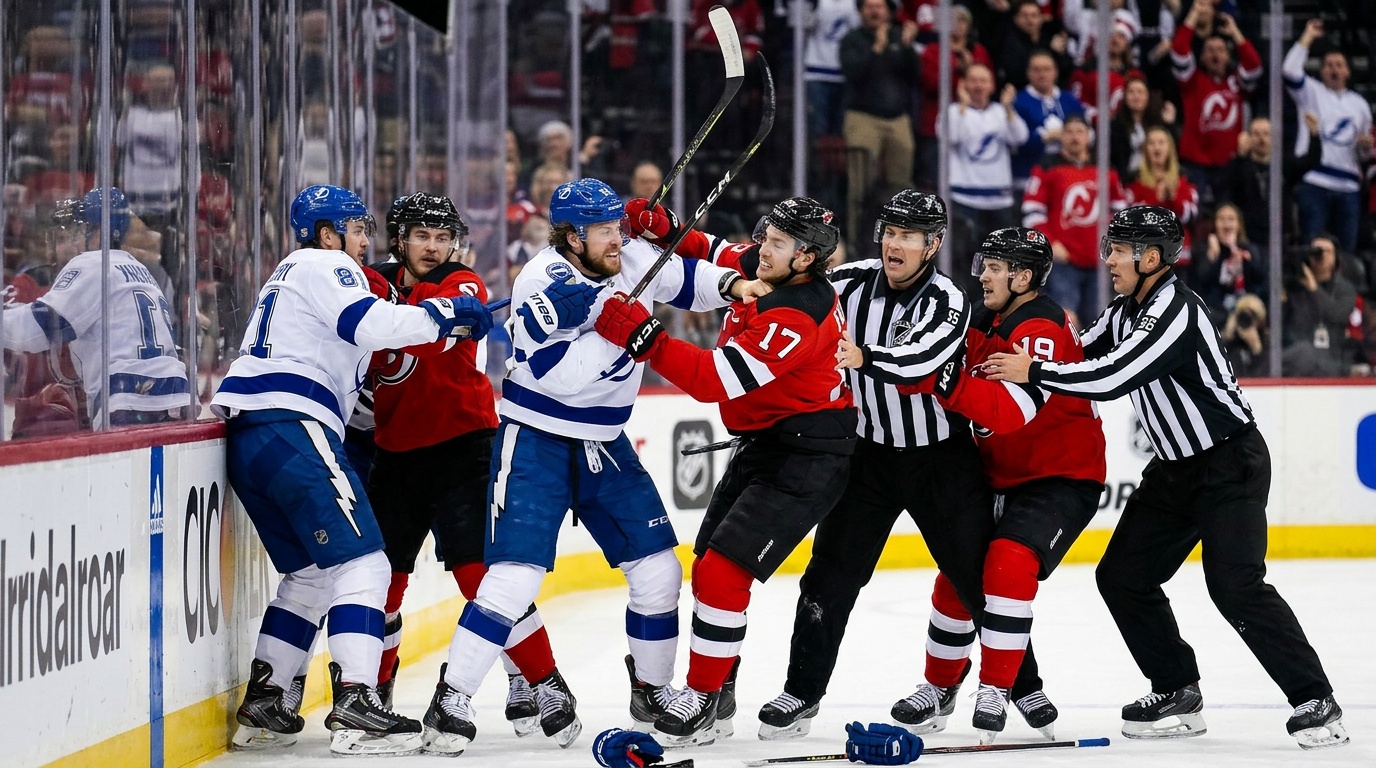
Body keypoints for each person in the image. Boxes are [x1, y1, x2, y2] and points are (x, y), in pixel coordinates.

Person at [418, 178, 770, 754]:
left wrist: (735, 283)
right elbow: (561, 377)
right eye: (604, 230)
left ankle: (652, 693)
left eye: (616, 226)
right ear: (573, 237)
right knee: (513, 578)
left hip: (605, 442)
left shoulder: (630, 254)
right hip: (537, 440)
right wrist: (623, 330)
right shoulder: (541, 280)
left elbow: (694, 284)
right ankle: (451, 698)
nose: (617, 238)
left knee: (659, 573)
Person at [983, 205, 1349, 751]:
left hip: (1230, 464)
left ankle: (1315, 699)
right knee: (1123, 576)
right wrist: (1034, 326)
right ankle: (1177, 688)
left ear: (1150, 257)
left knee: (1235, 585)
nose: (1107, 258)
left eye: (1117, 249)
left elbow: (1112, 375)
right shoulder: (1127, 309)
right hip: (1176, 470)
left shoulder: (1175, 308)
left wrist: (1033, 370)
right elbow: (1080, 350)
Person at [755, 190, 1051, 741]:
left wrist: (864, 357)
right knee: (828, 577)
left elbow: (924, 359)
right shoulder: (851, 280)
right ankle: (802, 692)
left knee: (974, 577)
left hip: (942, 458)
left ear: (932, 244)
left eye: (908, 235)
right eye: (889, 231)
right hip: (867, 458)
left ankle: (1023, 686)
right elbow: (788, 288)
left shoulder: (950, 300)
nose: (894, 243)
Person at [212, 184, 493, 757]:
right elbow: (373, 326)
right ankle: (359, 702)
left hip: (251, 433)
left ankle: (268, 697)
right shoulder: (325, 264)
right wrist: (445, 314)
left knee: (314, 574)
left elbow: (364, 367)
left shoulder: (291, 275)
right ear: (326, 232)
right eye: (356, 228)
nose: (365, 239)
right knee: (367, 561)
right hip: (294, 422)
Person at [605, 196, 856, 746]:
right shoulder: (774, 266)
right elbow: (719, 250)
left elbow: (718, 378)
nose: (764, 249)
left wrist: (648, 340)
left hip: (809, 453)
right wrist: (671, 227)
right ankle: (717, 694)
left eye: (779, 244)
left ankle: (699, 697)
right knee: (710, 565)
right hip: (767, 443)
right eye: (767, 236)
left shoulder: (798, 311)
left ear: (808, 258)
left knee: (721, 572)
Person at [363, 193, 567, 740]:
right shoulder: (368, 284)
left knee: (481, 580)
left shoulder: (463, 282)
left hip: (464, 449)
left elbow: (432, 339)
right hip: (394, 456)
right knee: (380, 584)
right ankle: (376, 693)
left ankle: (544, 680)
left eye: (442, 236)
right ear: (399, 239)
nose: (433, 247)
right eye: (421, 236)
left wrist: (420, 314)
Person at [899, 227, 1106, 744]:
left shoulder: (1037, 326)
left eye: (995, 267)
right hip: (1000, 476)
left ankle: (996, 687)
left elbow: (1008, 413)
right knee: (957, 574)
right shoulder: (985, 318)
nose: (984, 275)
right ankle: (940, 686)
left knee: (1008, 565)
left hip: (1061, 477)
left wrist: (946, 383)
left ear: (1025, 276)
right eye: (984, 265)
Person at [2, 188, 188, 428]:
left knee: (119, 466)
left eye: (80, 230)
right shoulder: (139, 269)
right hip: (177, 391)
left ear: (99, 234)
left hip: (128, 394)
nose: (74, 238)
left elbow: (40, 329)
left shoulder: (92, 263)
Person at [1023, 114, 1127, 328]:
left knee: (1098, 322)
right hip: (1063, 259)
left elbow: (1119, 208)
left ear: (1089, 137)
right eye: (1069, 132)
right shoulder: (1047, 167)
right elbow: (1032, 210)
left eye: (1079, 132)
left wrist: (1114, 243)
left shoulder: (1105, 168)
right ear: (1061, 136)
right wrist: (1049, 243)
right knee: (1065, 321)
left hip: (1099, 258)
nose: (1074, 137)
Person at [1284, 19, 1374, 255]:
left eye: (1339, 65)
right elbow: (1290, 70)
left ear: (1348, 71)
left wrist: (1367, 147)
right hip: (1315, 182)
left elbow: (1365, 154)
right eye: (1329, 64)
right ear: (1321, 70)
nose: (1334, 69)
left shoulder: (1360, 105)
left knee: (1345, 253)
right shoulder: (1310, 92)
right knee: (1312, 249)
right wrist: (1308, 37)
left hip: (1348, 187)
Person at [840, 0, 919, 245]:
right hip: (863, 117)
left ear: (888, 11)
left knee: (901, 186)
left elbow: (914, 75)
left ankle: (901, 241)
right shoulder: (852, 40)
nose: (875, 11)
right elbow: (853, 72)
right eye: (869, 7)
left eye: (880, 6)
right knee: (860, 187)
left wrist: (906, 47)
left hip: (898, 119)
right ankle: (856, 243)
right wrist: (878, 46)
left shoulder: (900, 37)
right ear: (861, 12)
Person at [1170, 6, 1261, 205]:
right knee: (1194, 211)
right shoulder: (1192, 80)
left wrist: (1235, 34)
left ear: (1228, 56)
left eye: (1220, 50)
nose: (1215, 55)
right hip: (1195, 162)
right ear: (1201, 57)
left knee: (1228, 212)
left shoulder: (1237, 82)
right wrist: (1193, 16)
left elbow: (1254, 65)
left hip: (1228, 163)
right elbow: (1179, 51)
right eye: (1210, 50)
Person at [947, 64, 1029, 283]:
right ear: (964, 84)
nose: (978, 85)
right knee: (963, 260)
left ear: (992, 85)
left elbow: (1020, 137)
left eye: (983, 80)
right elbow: (950, 136)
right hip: (964, 197)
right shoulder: (954, 111)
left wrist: (1009, 109)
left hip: (998, 199)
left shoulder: (1001, 112)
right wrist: (963, 106)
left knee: (1001, 259)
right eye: (973, 80)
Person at [1011, 51, 1086, 195]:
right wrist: (1045, 137)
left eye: (1047, 69)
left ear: (1055, 72)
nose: (1042, 74)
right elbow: (1016, 143)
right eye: (1036, 70)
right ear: (1028, 73)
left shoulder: (1069, 100)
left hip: (1067, 179)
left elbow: (1088, 134)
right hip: (1028, 179)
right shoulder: (1019, 102)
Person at [1125, 127, 1198, 264]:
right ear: (1145, 149)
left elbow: (1191, 216)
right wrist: (1156, 200)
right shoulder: (1134, 181)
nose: (1156, 147)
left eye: (1161, 142)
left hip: (1177, 257)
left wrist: (1172, 198)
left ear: (1170, 148)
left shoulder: (1184, 179)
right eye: (1151, 143)